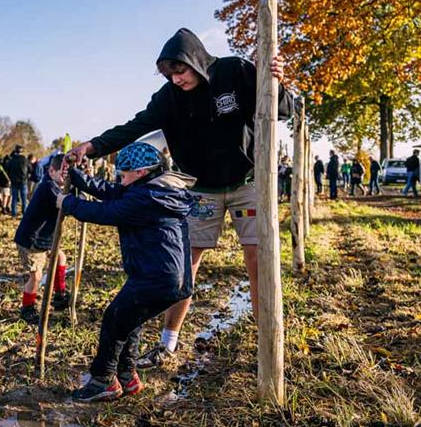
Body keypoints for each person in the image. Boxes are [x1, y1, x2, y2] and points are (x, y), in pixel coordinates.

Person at [67, 28, 290, 367]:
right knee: (183, 265)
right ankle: (168, 343)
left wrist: (276, 82)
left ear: (196, 60)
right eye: (169, 74)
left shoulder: (234, 72)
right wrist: (93, 146)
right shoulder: (168, 98)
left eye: (180, 71)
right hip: (199, 190)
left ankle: (267, 344)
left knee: (257, 260)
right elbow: (135, 126)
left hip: (247, 183)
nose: (176, 79)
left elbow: (282, 110)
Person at [61, 142, 196, 401]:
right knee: (129, 321)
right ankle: (127, 377)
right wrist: (79, 178)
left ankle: (103, 381)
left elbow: (107, 211)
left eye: (123, 174)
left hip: (156, 278)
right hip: (169, 279)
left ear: (141, 172)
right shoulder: (157, 190)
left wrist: (67, 203)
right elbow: (113, 192)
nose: (120, 179)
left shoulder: (147, 198)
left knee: (114, 320)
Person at [13, 154, 70, 324]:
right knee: (36, 276)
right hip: (31, 240)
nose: (65, 178)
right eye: (62, 174)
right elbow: (65, 204)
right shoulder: (48, 187)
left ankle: (59, 294)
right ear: (51, 171)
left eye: (68, 175)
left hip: (45, 238)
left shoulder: (58, 186)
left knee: (60, 257)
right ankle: (27, 308)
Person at [7, 145, 30, 217]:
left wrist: (11, 177)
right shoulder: (25, 160)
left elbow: (8, 170)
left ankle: (14, 213)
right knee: (24, 198)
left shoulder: (11, 160)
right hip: (23, 181)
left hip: (14, 181)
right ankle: (24, 213)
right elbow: (30, 169)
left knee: (14, 198)